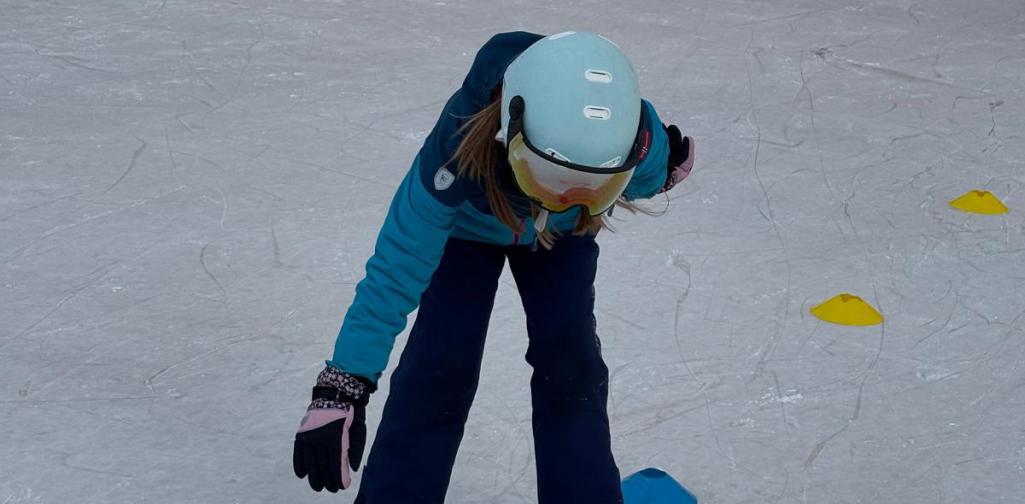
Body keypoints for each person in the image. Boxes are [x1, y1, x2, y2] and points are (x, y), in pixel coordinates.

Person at [292, 31, 694, 504]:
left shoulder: (636, 139)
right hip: (465, 233)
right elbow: (394, 271)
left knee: (572, 365)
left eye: (593, 184)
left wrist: (663, 171)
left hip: (562, 235)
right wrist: (343, 386)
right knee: (440, 364)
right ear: (510, 134)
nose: (562, 194)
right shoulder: (457, 147)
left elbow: (648, 172)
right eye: (554, 177)